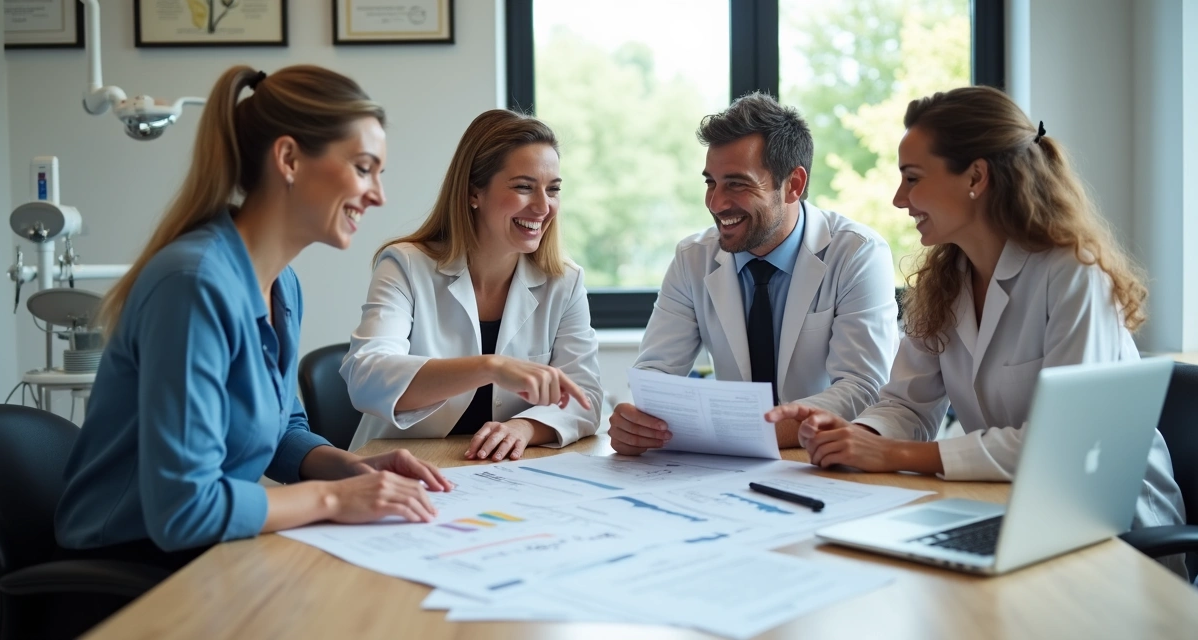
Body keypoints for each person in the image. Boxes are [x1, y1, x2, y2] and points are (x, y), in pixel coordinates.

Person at [766, 86, 1186, 575]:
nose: (900, 199)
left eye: (912, 179)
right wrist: (853, 435)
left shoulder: (1073, 272)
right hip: (1006, 508)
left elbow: (1061, 446)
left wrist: (894, 452)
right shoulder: (946, 278)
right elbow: (907, 402)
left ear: (976, 176)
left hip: (1115, 526)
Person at [56, 65, 454, 580]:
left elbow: (280, 429)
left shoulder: (281, 284)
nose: (377, 194)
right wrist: (333, 497)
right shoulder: (193, 285)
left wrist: (350, 469)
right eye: (362, 167)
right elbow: (183, 508)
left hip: (208, 551)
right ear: (288, 159)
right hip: (129, 567)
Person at [608, 92, 900, 455]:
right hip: (733, 469)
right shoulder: (692, 258)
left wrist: (743, 431)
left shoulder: (858, 253)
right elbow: (655, 376)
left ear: (793, 185)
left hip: (824, 462)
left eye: (737, 184)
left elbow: (863, 388)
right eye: (710, 183)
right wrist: (638, 423)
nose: (716, 203)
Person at [342, 109, 601, 461]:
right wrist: (490, 367)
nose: (543, 206)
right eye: (524, 187)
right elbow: (367, 377)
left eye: (553, 189)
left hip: (503, 473)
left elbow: (585, 397)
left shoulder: (564, 282)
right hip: (401, 466)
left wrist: (524, 427)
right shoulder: (405, 264)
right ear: (473, 193)